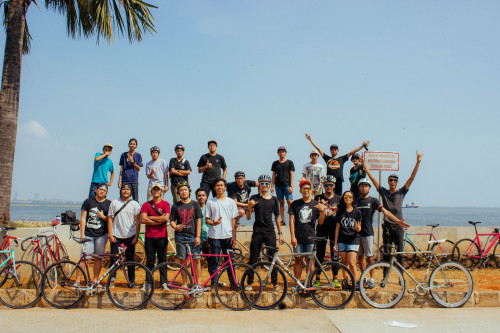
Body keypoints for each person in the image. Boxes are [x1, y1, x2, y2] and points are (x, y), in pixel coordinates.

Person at [361, 151, 423, 267]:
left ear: (397, 182)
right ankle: (385, 278)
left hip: (399, 226)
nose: (392, 182)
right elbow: (373, 178)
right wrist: (364, 165)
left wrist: (418, 162)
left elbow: (412, 177)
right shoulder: (384, 192)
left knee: (399, 254)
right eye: (390, 180)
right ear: (388, 182)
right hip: (387, 226)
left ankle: (401, 278)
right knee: (387, 254)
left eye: (395, 180)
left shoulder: (401, 192)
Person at [356, 178, 409, 289]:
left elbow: (386, 212)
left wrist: (398, 221)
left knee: (370, 257)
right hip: (356, 234)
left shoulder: (374, 200)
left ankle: (372, 279)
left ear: (369, 188)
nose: (364, 187)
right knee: (360, 257)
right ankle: (364, 277)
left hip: (368, 233)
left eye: (366, 186)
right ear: (359, 187)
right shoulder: (355, 201)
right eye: (362, 185)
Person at [246, 174, 284, 291]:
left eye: (267, 183)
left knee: (272, 258)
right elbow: (248, 217)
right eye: (262, 183)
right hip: (257, 231)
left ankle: (275, 284)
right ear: (259, 185)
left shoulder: (274, 199)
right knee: (253, 257)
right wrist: (249, 207)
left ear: (269, 185)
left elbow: (277, 217)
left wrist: (280, 233)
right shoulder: (254, 198)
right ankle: (249, 283)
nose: (264, 185)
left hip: (270, 231)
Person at [289, 180, 325, 283]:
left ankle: (310, 283)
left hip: (311, 238)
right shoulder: (295, 204)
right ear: (300, 191)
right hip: (298, 238)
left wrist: (322, 211)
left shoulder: (315, 204)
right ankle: (298, 283)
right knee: (298, 260)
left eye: (308, 189)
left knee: (310, 261)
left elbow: (321, 222)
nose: (306, 191)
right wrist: (292, 236)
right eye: (303, 189)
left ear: (311, 190)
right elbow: (291, 221)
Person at [205, 178, 238, 286]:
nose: (219, 187)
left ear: (225, 187)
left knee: (230, 261)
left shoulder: (231, 202)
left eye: (221, 185)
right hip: (214, 236)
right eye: (217, 185)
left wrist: (234, 237)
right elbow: (207, 220)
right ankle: (214, 283)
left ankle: (233, 283)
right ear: (214, 188)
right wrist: (213, 222)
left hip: (228, 236)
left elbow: (233, 220)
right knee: (214, 260)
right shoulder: (210, 202)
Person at [76, 183, 111, 285]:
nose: (102, 191)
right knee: (84, 257)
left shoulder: (109, 203)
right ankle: (78, 280)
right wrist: (82, 233)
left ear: (106, 193)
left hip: (102, 234)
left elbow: (110, 219)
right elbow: (83, 218)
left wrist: (102, 217)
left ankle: (95, 280)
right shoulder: (88, 202)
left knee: (98, 257)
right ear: (96, 190)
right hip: (88, 234)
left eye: (105, 190)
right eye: (100, 189)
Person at [107, 184, 141, 285]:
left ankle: (131, 281)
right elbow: (110, 219)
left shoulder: (135, 204)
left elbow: (138, 221)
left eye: (127, 189)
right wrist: (110, 234)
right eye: (123, 189)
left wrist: (136, 236)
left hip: (130, 236)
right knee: (114, 259)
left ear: (130, 191)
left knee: (130, 259)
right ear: (120, 191)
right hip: (116, 236)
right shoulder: (114, 203)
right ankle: (111, 280)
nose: (125, 191)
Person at [170, 183, 202, 286]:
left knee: (196, 260)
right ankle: (184, 282)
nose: (183, 192)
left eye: (185, 189)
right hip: (180, 236)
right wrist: (175, 227)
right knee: (182, 260)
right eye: (181, 190)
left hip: (193, 236)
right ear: (178, 193)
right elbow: (172, 221)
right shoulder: (175, 205)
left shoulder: (195, 204)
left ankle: (198, 283)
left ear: (189, 191)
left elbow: (198, 221)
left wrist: (198, 236)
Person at [140, 183, 170, 290]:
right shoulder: (146, 205)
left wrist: (150, 218)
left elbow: (166, 219)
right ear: (151, 192)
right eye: (154, 189)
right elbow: (143, 219)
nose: (156, 191)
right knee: (150, 260)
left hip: (162, 236)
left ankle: (164, 282)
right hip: (150, 236)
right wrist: (159, 220)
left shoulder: (165, 204)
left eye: (158, 189)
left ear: (161, 192)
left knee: (162, 260)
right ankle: (148, 282)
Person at [313, 175, 341, 287]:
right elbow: (315, 215)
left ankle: (335, 278)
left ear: (334, 186)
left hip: (335, 231)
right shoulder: (318, 198)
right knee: (320, 254)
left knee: (335, 254)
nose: (328, 187)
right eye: (326, 185)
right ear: (323, 185)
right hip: (321, 229)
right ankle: (317, 278)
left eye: (331, 185)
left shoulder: (339, 199)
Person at [333, 191, 362, 289]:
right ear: (343, 198)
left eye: (350, 196)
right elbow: (337, 227)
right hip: (342, 240)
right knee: (344, 262)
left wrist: (358, 228)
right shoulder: (340, 211)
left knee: (352, 262)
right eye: (346, 196)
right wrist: (335, 243)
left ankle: (354, 282)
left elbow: (359, 228)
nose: (348, 198)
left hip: (353, 240)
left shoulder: (357, 211)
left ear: (353, 198)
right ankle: (346, 282)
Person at [271, 146, 295, 226]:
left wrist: (291, 186)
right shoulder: (275, 163)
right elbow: (274, 175)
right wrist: (271, 186)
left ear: (285, 153)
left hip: (287, 185)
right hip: (278, 186)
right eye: (280, 151)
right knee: (281, 203)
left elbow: (291, 174)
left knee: (289, 202)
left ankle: (292, 219)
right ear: (278, 153)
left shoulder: (290, 162)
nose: (281, 153)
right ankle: (283, 220)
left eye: (283, 151)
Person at [196, 187, 210, 273]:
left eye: (203, 195)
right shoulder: (193, 208)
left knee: (211, 260)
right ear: (196, 197)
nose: (201, 197)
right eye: (199, 195)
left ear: (206, 197)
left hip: (207, 238)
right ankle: (195, 281)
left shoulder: (210, 208)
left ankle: (214, 281)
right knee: (195, 260)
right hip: (196, 239)